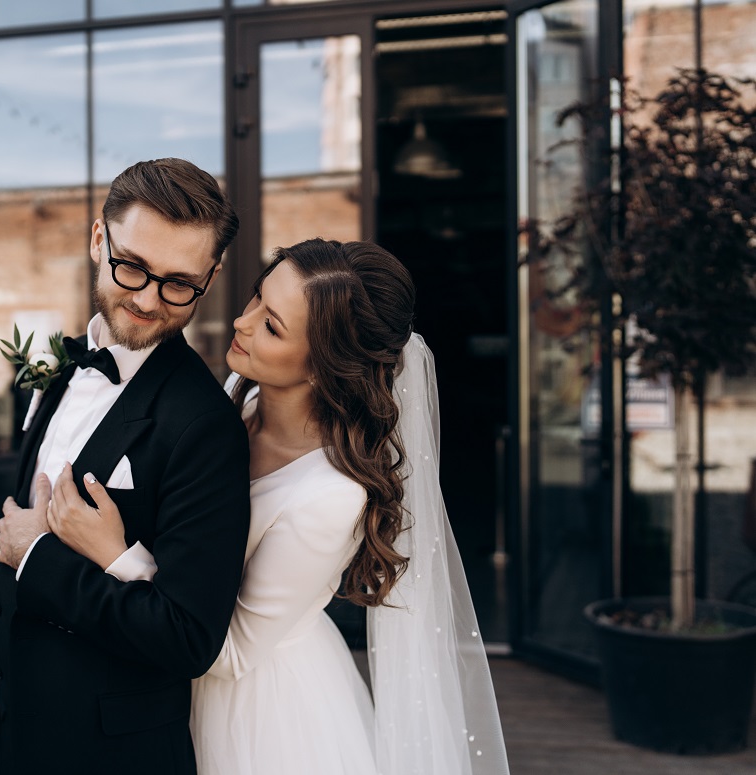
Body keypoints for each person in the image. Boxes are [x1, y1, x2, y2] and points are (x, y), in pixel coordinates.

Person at [48, 238, 510, 774]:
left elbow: (235, 652)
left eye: (272, 327)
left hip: (255, 711)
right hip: (162, 674)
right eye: (256, 299)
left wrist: (116, 554)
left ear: (326, 366)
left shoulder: (331, 496)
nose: (243, 324)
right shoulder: (238, 399)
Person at [0, 158, 251, 775]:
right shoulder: (62, 367)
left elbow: (188, 638)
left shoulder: (205, 428)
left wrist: (38, 557)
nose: (149, 302)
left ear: (212, 274)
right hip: (17, 724)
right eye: (133, 268)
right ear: (99, 240)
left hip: (113, 753)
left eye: (180, 283)